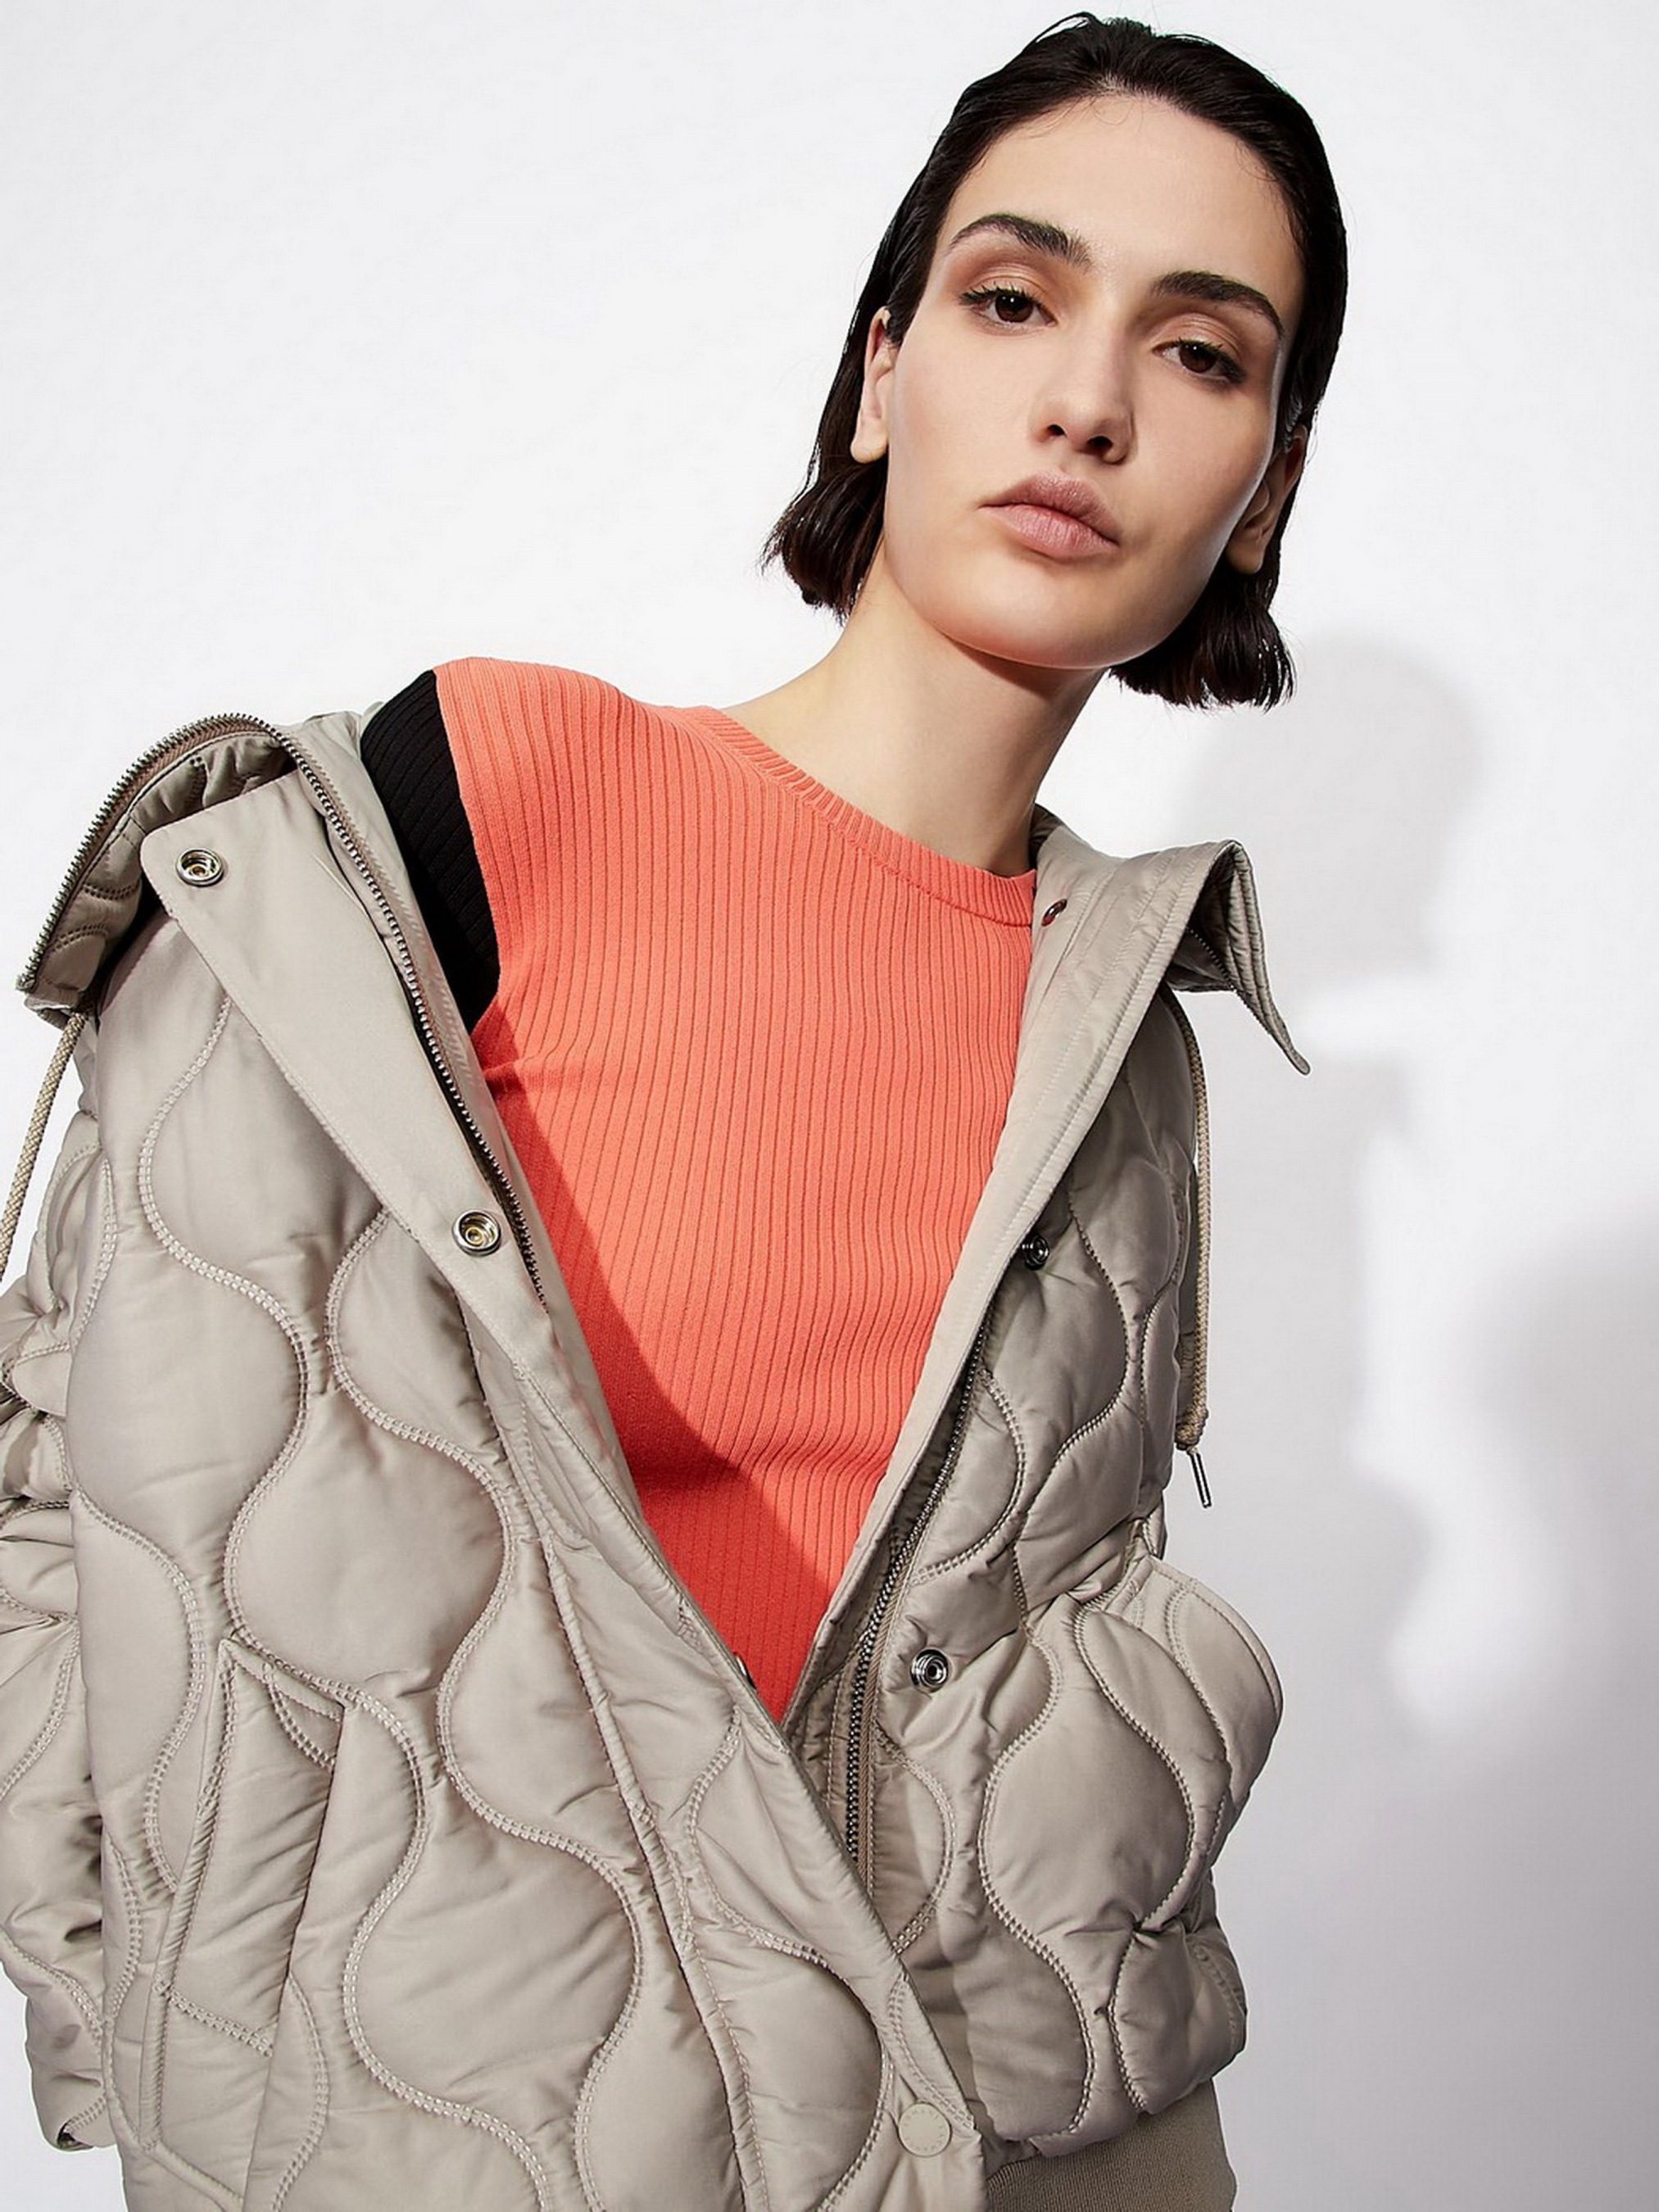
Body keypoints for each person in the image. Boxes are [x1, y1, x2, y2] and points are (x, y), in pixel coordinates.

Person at [0, 12, 1346, 2208]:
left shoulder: (1127, 1021)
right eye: (1014, 301)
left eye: (1199, 355)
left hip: (1034, 2147)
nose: (1087, 403)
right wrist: (161, 2040)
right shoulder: (484, 799)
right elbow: (68, 1453)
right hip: (472, 2144)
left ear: (1260, 491)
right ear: (881, 376)